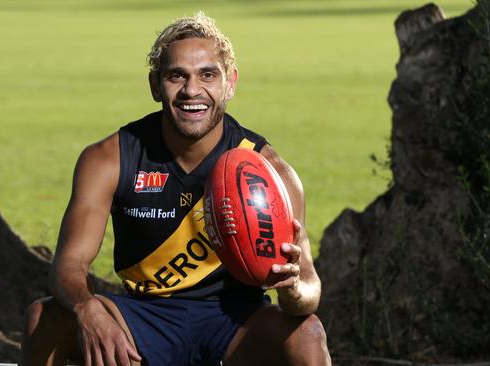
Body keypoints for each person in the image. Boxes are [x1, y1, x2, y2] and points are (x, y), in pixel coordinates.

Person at [22, 12, 331, 366]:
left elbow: (309, 289)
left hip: (234, 321)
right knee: (42, 318)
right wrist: (86, 308)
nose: (191, 90)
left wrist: (293, 290)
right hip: (144, 317)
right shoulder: (109, 158)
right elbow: (68, 265)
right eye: (176, 76)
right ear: (155, 85)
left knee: (308, 333)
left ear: (230, 83)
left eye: (208, 75)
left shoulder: (270, 171)